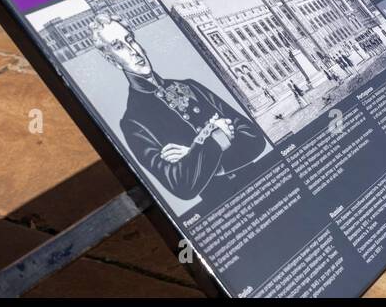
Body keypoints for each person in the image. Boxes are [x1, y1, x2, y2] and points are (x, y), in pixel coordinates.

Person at [90, 13, 264, 206]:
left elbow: (255, 138)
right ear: (112, 60)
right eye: (119, 46)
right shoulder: (133, 122)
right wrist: (215, 139)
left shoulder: (190, 86)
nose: (134, 51)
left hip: (263, 180)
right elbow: (182, 186)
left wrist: (192, 156)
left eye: (130, 40)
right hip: (225, 204)